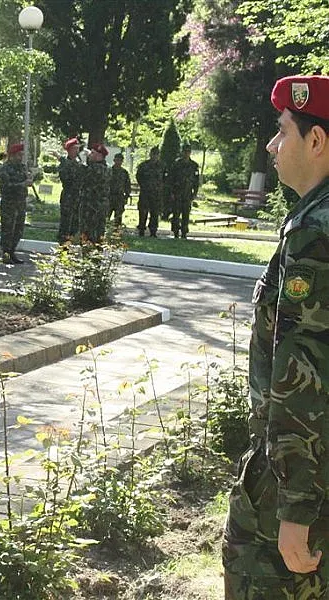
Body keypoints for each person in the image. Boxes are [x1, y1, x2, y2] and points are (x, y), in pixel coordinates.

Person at [223, 75, 329, 599]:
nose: (271, 144)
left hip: (296, 484)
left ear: (316, 141)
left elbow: (303, 372)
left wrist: (296, 508)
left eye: (282, 130)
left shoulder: (316, 233)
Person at [0, 143, 31, 264]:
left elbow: (26, 179)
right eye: (18, 155)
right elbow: (5, 187)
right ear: (12, 156)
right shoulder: (4, 169)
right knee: (8, 229)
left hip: (20, 203)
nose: (21, 157)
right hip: (9, 204)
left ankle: (12, 252)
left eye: (22, 155)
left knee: (18, 229)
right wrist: (22, 184)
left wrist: (29, 180)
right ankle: (5, 254)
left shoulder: (22, 167)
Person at [78, 142, 111, 243]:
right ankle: (94, 255)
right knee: (98, 234)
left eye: (92, 153)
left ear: (99, 155)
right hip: (99, 206)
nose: (89, 155)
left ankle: (89, 256)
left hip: (92, 207)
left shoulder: (96, 168)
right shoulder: (106, 168)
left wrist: (80, 158)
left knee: (88, 234)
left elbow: (82, 170)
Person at [169, 143, 200, 239]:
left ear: (190, 153)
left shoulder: (194, 165)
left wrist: (195, 193)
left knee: (186, 214)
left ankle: (184, 232)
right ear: (182, 152)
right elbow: (171, 179)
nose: (186, 153)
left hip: (187, 194)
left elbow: (196, 181)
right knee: (176, 214)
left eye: (188, 152)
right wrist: (171, 193)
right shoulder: (176, 164)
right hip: (177, 193)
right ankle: (175, 232)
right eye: (185, 151)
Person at [58, 137, 84, 243]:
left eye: (78, 149)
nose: (77, 151)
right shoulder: (64, 164)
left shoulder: (79, 163)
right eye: (74, 149)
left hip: (78, 197)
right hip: (68, 197)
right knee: (66, 223)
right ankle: (63, 246)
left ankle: (70, 244)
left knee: (75, 224)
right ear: (68, 150)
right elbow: (67, 179)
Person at [135, 146, 165, 237]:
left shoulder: (162, 166)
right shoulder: (144, 165)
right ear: (150, 154)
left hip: (156, 194)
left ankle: (153, 231)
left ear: (159, 155)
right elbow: (138, 177)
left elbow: (165, 179)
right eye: (153, 154)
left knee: (155, 213)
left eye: (156, 154)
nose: (155, 156)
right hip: (145, 193)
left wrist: (160, 187)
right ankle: (141, 230)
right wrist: (144, 186)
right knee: (143, 212)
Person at [108, 152, 132, 229]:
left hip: (119, 197)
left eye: (120, 160)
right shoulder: (109, 171)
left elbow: (127, 185)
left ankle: (116, 233)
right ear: (114, 160)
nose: (118, 162)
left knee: (118, 218)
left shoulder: (124, 172)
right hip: (110, 196)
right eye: (117, 160)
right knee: (106, 216)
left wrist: (127, 196)